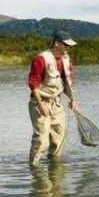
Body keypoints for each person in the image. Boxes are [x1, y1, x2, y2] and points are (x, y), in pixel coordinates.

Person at [27, 31, 79, 166]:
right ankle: (35, 170)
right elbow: (33, 84)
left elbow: (66, 83)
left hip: (56, 104)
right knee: (42, 141)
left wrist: (73, 99)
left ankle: (55, 174)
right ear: (56, 44)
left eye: (69, 45)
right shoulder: (41, 59)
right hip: (39, 103)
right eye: (66, 45)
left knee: (58, 139)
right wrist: (40, 104)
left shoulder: (66, 60)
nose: (68, 48)